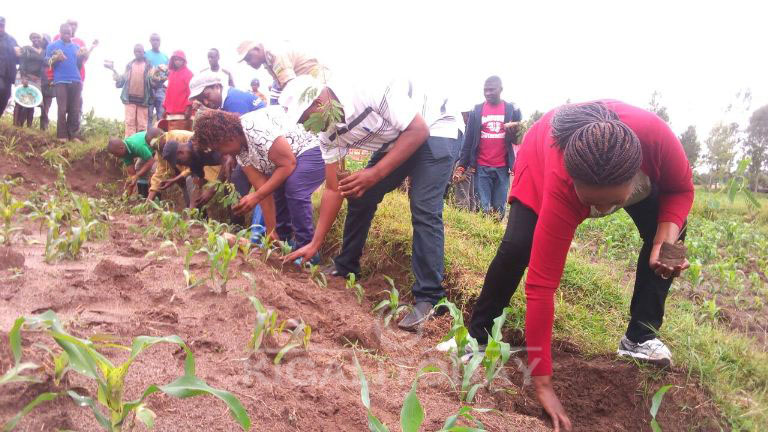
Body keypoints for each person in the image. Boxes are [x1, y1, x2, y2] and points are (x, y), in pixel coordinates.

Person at [465, 100, 693, 431]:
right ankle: (478, 335)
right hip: (542, 151)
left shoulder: (657, 140)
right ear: (573, 184)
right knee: (518, 247)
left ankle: (639, 338)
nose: (600, 210)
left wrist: (666, 243)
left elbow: (680, 189)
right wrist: (542, 383)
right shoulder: (561, 183)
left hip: (620, 165)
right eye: (591, 203)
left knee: (668, 237)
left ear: (635, 174)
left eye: (612, 202)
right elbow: (541, 287)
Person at [281, 76, 463, 331]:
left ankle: (430, 298)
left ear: (319, 102)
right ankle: (346, 264)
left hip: (436, 126)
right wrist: (316, 242)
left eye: (304, 119)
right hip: (399, 138)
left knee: (424, 207)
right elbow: (334, 189)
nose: (306, 128)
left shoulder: (367, 90)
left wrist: (374, 174)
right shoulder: (328, 134)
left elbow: (419, 130)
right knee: (360, 193)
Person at [192, 108, 326, 257]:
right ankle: (284, 248)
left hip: (311, 148)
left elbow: (288, 164)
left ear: (226, 137)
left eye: (219, 148)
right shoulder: (241, 152)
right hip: (291, 158)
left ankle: (308, 252)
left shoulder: (254, 129)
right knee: (276, 192)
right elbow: (262, 188)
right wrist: (270, 230)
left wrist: (255, 196)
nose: (222, 154)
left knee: (295, 188)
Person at [455, 76, 521, 219]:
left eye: (492, 90)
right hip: (481, 167)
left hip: (502, 168)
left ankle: (493, 237)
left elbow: (518, 139)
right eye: (485, 90)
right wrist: (462, 165)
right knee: (482, 208)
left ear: (501, 89)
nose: (488, 93)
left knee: (499, 208)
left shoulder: (510, 109)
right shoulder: (477, 110)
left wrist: (515, 126)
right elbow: (469, 140)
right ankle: (481, 237)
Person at [46, 23, 85, 142]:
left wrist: (82, 56)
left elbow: (79, 65)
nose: (67, 35)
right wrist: (56, 58)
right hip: (60, 80)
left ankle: (73, 135)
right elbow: (47, 62)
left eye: (69, 32)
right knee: (62, 109)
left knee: (75, 108)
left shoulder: (76, 47)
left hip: (76, 80)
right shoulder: (52, 46)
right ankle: (62, 135)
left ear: (71, 33)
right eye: (64, 32)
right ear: (60, 32)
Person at [237, 40, 323, 90]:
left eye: (248, 58)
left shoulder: (276, 55)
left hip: (318, 83)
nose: (248, 63)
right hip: (307, 86)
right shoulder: (267, 62)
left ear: (257, 49)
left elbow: (291, 87)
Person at [108, 44, 152, 137]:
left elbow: (152, 81)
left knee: (142, 125)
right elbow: (122, 79)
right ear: (133, 52)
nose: (138, 53)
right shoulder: (129, 65)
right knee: (129, 123)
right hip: (129, 99)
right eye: (136, 51)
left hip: (144, 100)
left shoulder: (148, 65)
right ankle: (129, 145)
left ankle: (140, 144)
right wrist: (113, 70)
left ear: (143, 52)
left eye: (139, 51)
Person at [107, 128, 163, 197]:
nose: (116, 156)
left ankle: (157, 196)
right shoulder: (124, 153)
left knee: (155, 171)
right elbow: (132, 174)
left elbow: (151, 161)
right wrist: (128, 193)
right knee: (139, 168)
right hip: (147, 152)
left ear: (121, 148)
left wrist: (137, 176)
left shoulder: (136, 145)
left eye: (116, 154)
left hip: (157, 146)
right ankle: (143, 196)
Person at [146, 129, 192, 203]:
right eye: (153, 148)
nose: (156, 149)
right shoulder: (160, 149)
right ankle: (194, 211)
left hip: (204, 167)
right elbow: (160, 173)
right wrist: (148, 202)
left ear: (162, 136)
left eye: (155, 145)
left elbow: (197, 163)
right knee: (185, 188)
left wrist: (175, 179)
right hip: (185, 174)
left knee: (190, 180)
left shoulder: (181, 137)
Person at [188, 71, 265, 115]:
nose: (206, 102)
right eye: (200, 100)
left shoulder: (233, 101)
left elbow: (238, 136)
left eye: (207, 96)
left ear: (217, 87)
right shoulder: (228, 96)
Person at [12, 33, 45, 128]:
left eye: (38, 37)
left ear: (41, 39)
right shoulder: (26, 48)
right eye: (33, 38)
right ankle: (15, 125)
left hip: (36, 78)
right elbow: (22, 62)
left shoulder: (44, 52)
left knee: (33, 101)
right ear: (31, 40)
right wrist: (24, 77)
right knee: (19, 100)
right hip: (24, 76)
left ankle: (29, 127)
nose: (36, 40)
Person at [162, 50, 193, 131]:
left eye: (180, 59)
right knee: (172, 138)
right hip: (171, 114)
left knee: (182, 138)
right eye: (175, 59)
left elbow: (191, 92)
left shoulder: (188, 74)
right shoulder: (171, 74)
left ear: (184, 61)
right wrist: (165, 108)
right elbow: (168, 92)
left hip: (183, 114)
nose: (177, 62)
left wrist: (188, 108)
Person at [144, 33, 169, 128]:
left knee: (161, 114)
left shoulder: (165, 57)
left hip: (161, 88)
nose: (155, 42)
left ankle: (161, 139)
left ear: (160, 42)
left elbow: (169, 73)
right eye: (153, 40)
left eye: (157, 40)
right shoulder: (145, 54)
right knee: (148, 115)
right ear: (150, 41)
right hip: (148, 89)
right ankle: (147, 139)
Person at [0, 17, 18, 119]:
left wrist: (19, 53)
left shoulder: (11, 40)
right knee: (0, 89)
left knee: (5, 96)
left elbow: (19, 56)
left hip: (8, 74)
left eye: (1, 25)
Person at [39, 34, 54, 131]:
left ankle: (44, 126)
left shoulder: (52, 53)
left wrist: (52, 79)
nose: (41, 41)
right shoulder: (39, 51)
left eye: (43, 39)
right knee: (37, 102)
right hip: (38, 80)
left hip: (49, 80)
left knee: (46, 105)